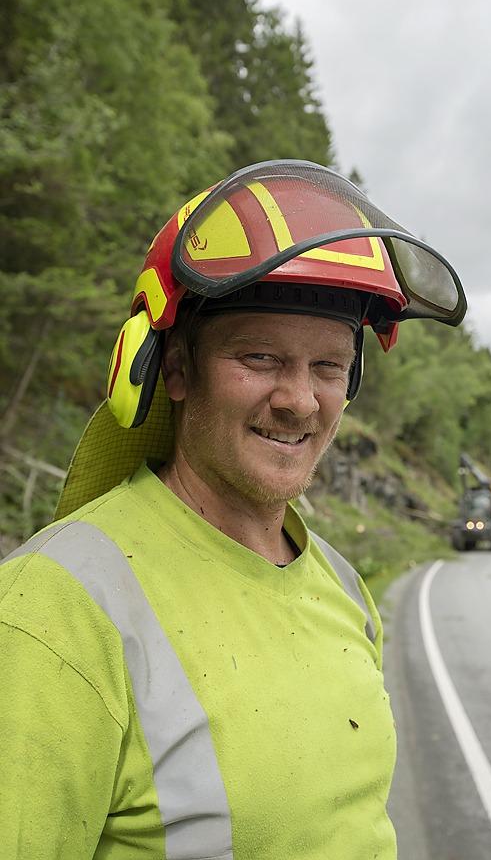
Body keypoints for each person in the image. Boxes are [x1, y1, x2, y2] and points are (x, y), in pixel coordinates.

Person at [0, 160, 466, 859]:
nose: (299, 400)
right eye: (259, 356)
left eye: (328, 367)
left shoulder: (340, 585)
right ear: (176, 368)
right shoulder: (53, 608)